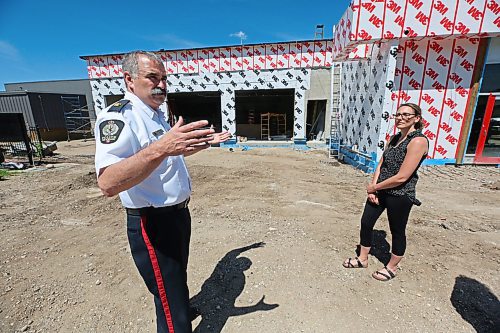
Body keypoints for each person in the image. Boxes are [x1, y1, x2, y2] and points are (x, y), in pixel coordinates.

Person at [94, 50, 231, 333]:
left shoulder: (156, 115)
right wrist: (163, 147)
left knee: (173, 281)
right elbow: (108, 182)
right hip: (152, 222)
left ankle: (178, 307)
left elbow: (165, 159)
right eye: (153, 77)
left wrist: (202, 144)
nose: (162, 85)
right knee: (169, 298)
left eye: (165, 78)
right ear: (129, 80)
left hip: (177, 216)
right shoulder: (119, 117)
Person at [342, 103, 428, 281]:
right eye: (398, 114)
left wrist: (376, 187)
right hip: (379, 190)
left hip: (400, 194)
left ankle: (391, 267)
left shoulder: (418, 141)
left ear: (417, 118)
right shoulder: (395, 138)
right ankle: (362, 258)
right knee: (366, 223)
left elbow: (402, 177)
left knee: (397, 230)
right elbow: (381, 164)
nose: (400, 118)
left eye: (406, 114)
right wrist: (373, 187)